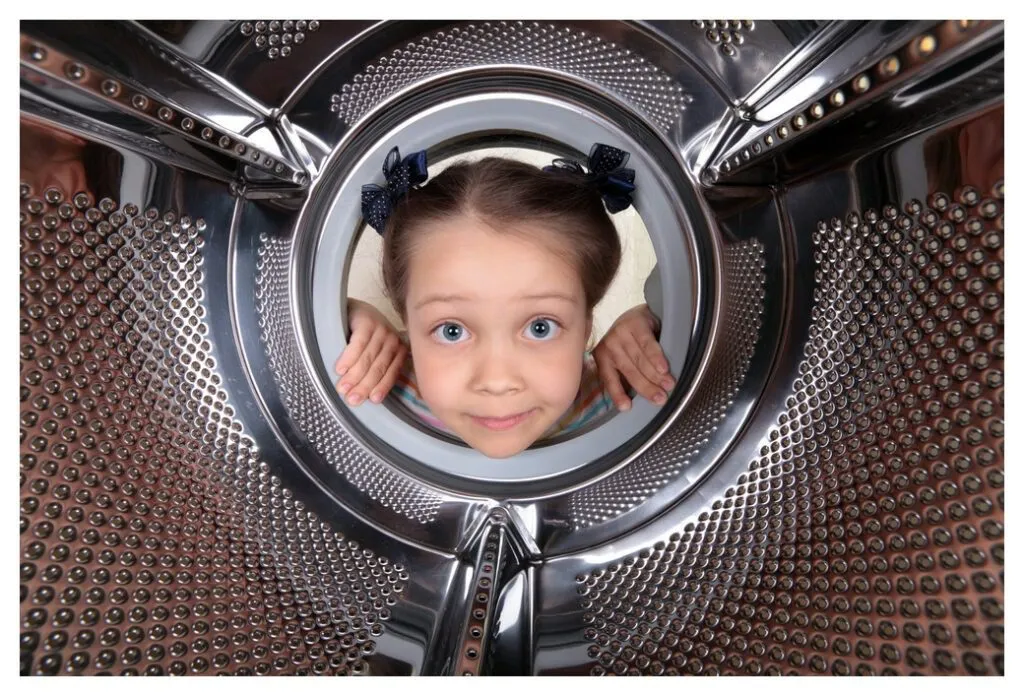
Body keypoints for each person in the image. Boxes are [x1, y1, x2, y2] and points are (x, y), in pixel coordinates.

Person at [335, 143, 673, 459]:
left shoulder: (616, 391)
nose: (497, 382)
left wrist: (655, 324)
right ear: (406, 319)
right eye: (451, 330)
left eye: (541, 327)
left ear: (586, 324)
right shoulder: (381, 381)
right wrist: (345, 324)